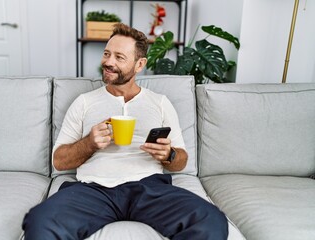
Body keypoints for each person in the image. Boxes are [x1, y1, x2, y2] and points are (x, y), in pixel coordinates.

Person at [22, 23, 228, 240]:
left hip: (149, 188)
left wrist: (169, 155)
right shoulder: (84, 102)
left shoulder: (160, 103)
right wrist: (89, 143)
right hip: (93, 189)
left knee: (211, 220)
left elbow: (181, 160)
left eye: (119, 57)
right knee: (40, 220)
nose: (108, 62)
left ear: (140, 64)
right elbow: (59, 161)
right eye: (107, 54)